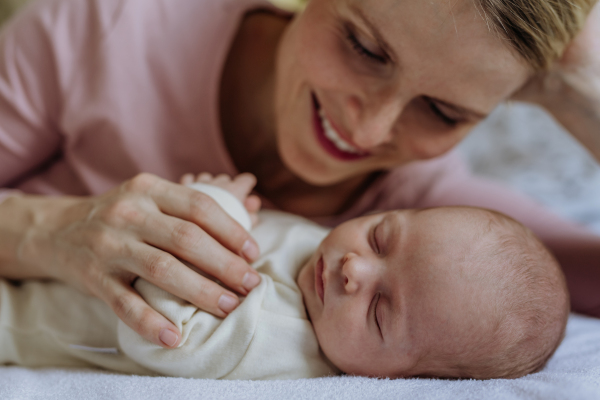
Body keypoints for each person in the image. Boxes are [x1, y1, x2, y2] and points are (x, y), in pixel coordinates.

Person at [0, 0, 597, 350]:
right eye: (364, 47)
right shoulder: (105, 29)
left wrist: (580, 94)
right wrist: (46, 230)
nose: (368, 133)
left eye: (444, 112)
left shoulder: (425, 219)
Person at [0, 173, 569, 380]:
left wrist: (212, 200)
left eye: (378, 310)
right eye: (379, 238)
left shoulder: (282, 343)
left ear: (399, 379)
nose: (354, 269)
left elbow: (161, 335)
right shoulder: (315, 255)